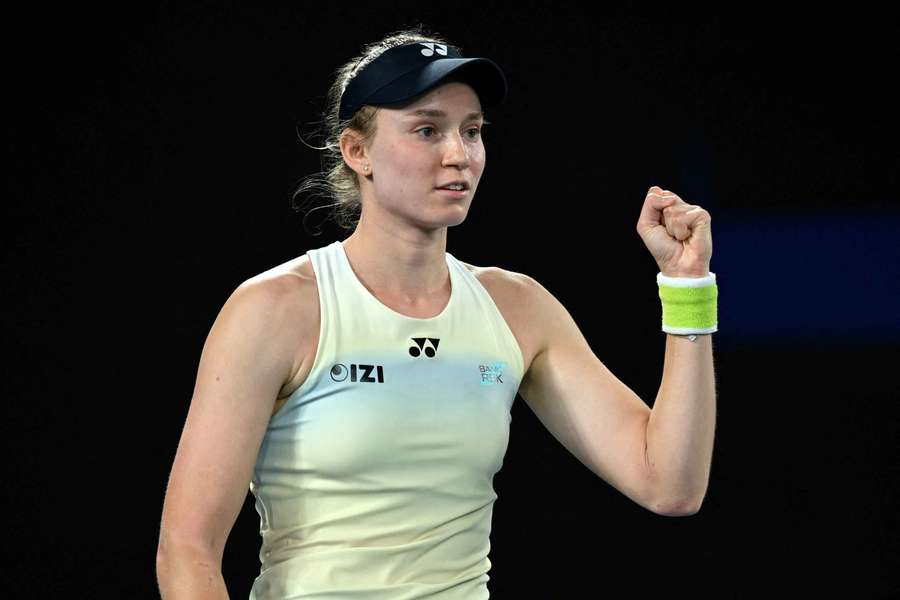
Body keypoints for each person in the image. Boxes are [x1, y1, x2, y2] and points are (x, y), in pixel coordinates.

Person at [156, 24, 718, 600]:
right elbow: (187, 548)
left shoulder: (518, 308)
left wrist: (687, 287)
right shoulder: (274, 310)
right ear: (358, 151)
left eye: (471, 132)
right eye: (427, 130)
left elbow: (669, 484)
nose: (459, 155)